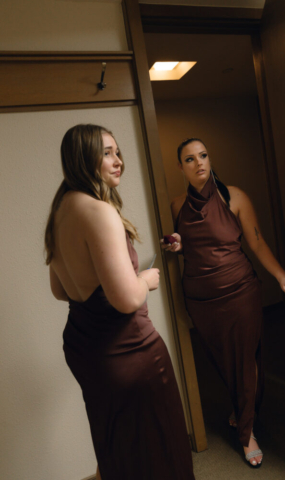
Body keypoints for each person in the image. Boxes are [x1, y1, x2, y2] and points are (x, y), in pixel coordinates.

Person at [44, 124, 195, 480]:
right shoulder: (99, 212)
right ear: (83, 158)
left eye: (117, 151)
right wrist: (144, 279)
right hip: (128, 351)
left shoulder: (60, 209)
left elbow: (61, 290)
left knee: (120, 446)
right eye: (107, 153)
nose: (118, 161)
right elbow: (126, 299)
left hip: (85, 347)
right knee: (161, 449)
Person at [161, 137, 285, 468]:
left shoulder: (234, 197)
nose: (199, 162)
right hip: (200, 298)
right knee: (225, 362)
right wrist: (177, 246)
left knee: (245, 360)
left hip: (240, 290)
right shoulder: (175, 206)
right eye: (190, 159)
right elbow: (189, 245)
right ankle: (244, 407)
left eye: (203, 155)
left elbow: (257, 244)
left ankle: (246, 432)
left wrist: (282, 276)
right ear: (180, 167)